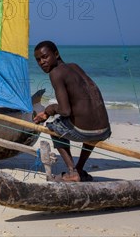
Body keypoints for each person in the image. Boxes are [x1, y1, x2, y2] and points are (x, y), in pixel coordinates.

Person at [33, 41, 111, 182]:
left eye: (45, 57)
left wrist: (49, 109)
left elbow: (65, 110)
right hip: (104, 130)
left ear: (56, 54)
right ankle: (79, 169)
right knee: (82, 123)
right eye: (38, 60)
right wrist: (47, 112)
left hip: (88, 132)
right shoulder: (74, 66)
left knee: (53, 127)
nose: (42, 62)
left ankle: (72, 171)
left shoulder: (55, 73)